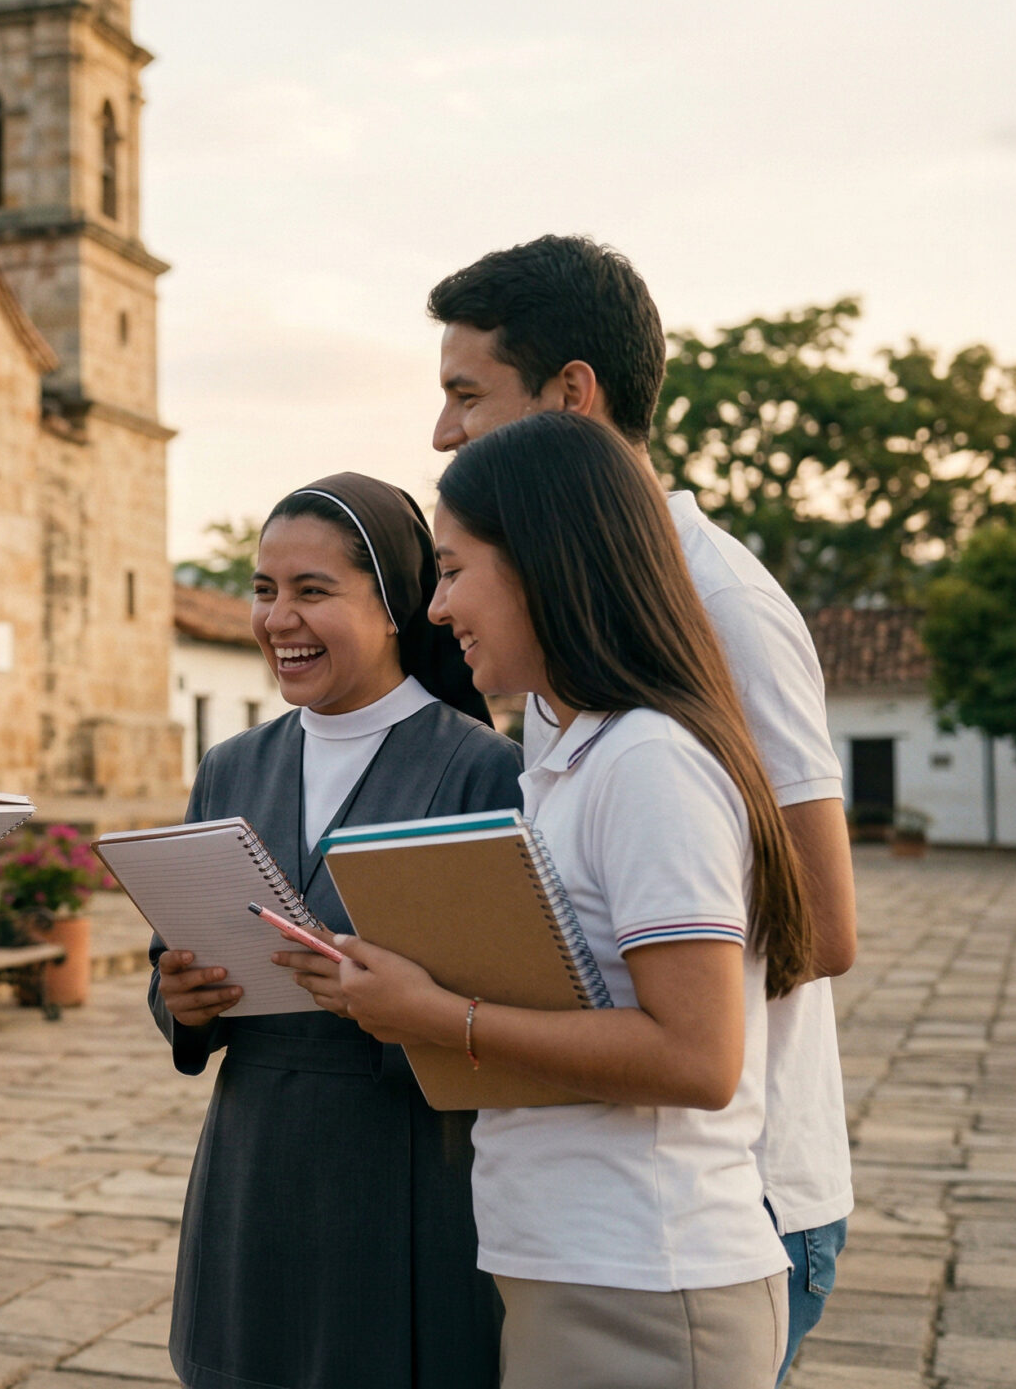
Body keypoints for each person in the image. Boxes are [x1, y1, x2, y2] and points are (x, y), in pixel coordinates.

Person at [425, 235, 856, 1382]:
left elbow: (814, 923)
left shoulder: (718, 612)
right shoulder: (571, 667)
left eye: (467, 394)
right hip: (592, 1213)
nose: (443, 430)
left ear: (572, 398)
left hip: (710, 1197)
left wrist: (473, 1016)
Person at [313, 412, 812, 1388]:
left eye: (453, 571)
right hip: (573, 1261)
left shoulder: (647, 763)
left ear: (545, 560)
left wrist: (437, 1013)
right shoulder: (568, 757)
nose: (437, 608)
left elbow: (697, 1055)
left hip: (644, 1273)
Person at [150, 472, 520, 1389]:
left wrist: (405, 1010)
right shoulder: (231, 766)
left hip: (403, 1166)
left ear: (395, 606)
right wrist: (183, 1000)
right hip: (253, 1156)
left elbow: (513, 1004)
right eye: (264, 590)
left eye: (313, 591)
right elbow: (177, 971)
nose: (279, 619)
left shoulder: (482, 773)